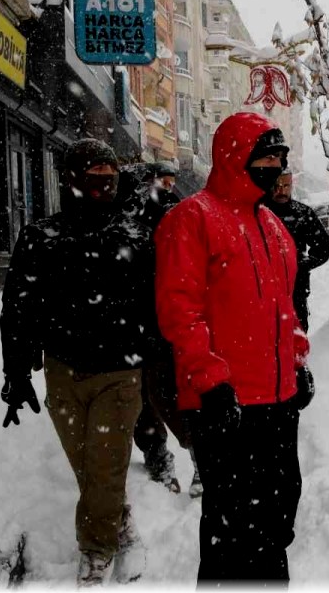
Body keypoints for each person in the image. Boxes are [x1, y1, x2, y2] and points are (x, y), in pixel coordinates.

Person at [154, 112, 314, 585]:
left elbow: (285, 310)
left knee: (280, 513)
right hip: (228, 405)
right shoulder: (192, 218)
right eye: (265, 157)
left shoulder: (273, 226)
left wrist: (298, 363)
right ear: (235, 158)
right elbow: (180, 313)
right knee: (233, 530)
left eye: (279, 159)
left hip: (279, 402)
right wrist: (211, 381)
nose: (274, 167)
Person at [0, 139, 154, 586]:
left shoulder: (134, 236)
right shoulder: (41, 236)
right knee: (90, 470)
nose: (104, 179)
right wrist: (16, 370)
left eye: (110, 172)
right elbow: (18, 307)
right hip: (63, 372)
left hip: (120, 373)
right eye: (93, 172)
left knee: (104, 467)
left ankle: (97, 552)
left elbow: (158, 303)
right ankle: (117, 518)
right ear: (70, 179)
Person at [116, 163, 193, 496]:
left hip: (162, 321)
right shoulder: (124, 214)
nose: (167, 187)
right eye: (163, 181)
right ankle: (157, 455)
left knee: (169, 394)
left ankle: (196, 454)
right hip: (131, 324)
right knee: (142, 399)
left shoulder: (174, 212)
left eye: (171, 182)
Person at [263, 168, 329, 332]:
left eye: (286, 186)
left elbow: (324, 247)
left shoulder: (302, 214)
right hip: (263, 291)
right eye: (277, 186)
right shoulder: (258, 212)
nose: (282, 191)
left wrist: (301, 265)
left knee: (296, 337)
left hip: (295, 291)